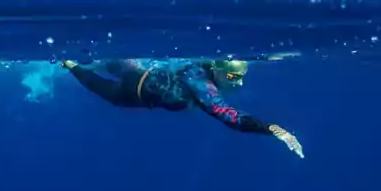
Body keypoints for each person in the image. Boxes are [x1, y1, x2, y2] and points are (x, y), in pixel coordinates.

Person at [59, 57, 304, 158]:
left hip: (138, 71)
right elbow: (232, 118)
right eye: (232, 77)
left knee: (111, 63)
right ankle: (70, 65)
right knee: (102, 88)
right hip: (134, 93)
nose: (239, 83)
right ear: (218, 71)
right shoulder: (204, 88)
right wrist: (274, 129)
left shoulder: (198, 64)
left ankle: (75, 61)